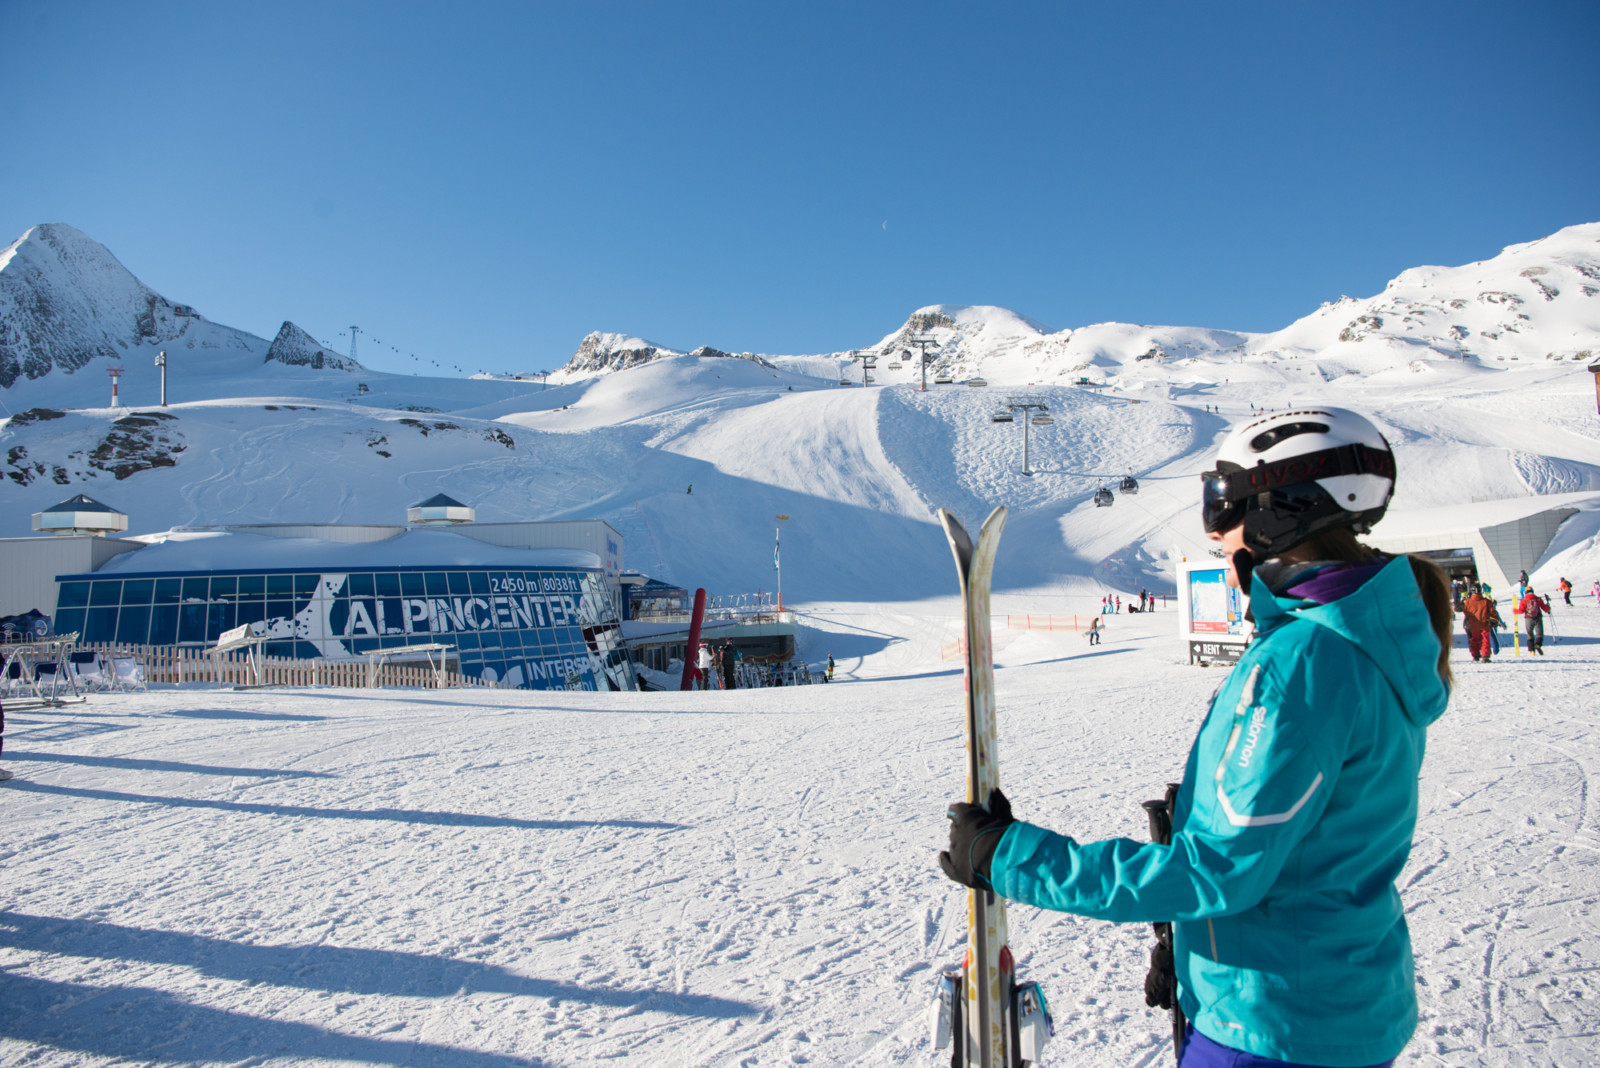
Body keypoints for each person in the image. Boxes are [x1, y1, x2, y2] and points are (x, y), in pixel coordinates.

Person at [941, 407, 1454, 1068]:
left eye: (1225, 503)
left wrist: (1010, 857)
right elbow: (1303, 853)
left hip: (1272, 1027)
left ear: (1284, 511)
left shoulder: (1304, 663)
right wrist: (1190, 942)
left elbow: (1219, 870)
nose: (1215, 531)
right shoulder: (1369, 637)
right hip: (1332, 1000)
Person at [1462, 583, 1496, 662]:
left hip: (1473, 624)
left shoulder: (1468, 602)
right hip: (1485, 623)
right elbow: (1493, 612)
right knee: (1485, 639)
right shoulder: (1486, 601)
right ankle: (1485, 655)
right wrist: (1494, 620)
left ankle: (1475, 655)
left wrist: (1472, 618)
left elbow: (1465, 612)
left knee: (1474, 639)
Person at [1518, 585, 1551, 655]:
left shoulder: (1523, 600)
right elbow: (1545, 608)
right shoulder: (1538, 599)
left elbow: (1521, 611)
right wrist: (1548, 608)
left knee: (1530, 634)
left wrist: (1514, 610)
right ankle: (1538, 644)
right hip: (1538, 617)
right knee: (1539, 634)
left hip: (1528, 618)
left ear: (1526, 592)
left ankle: (1532, 651)